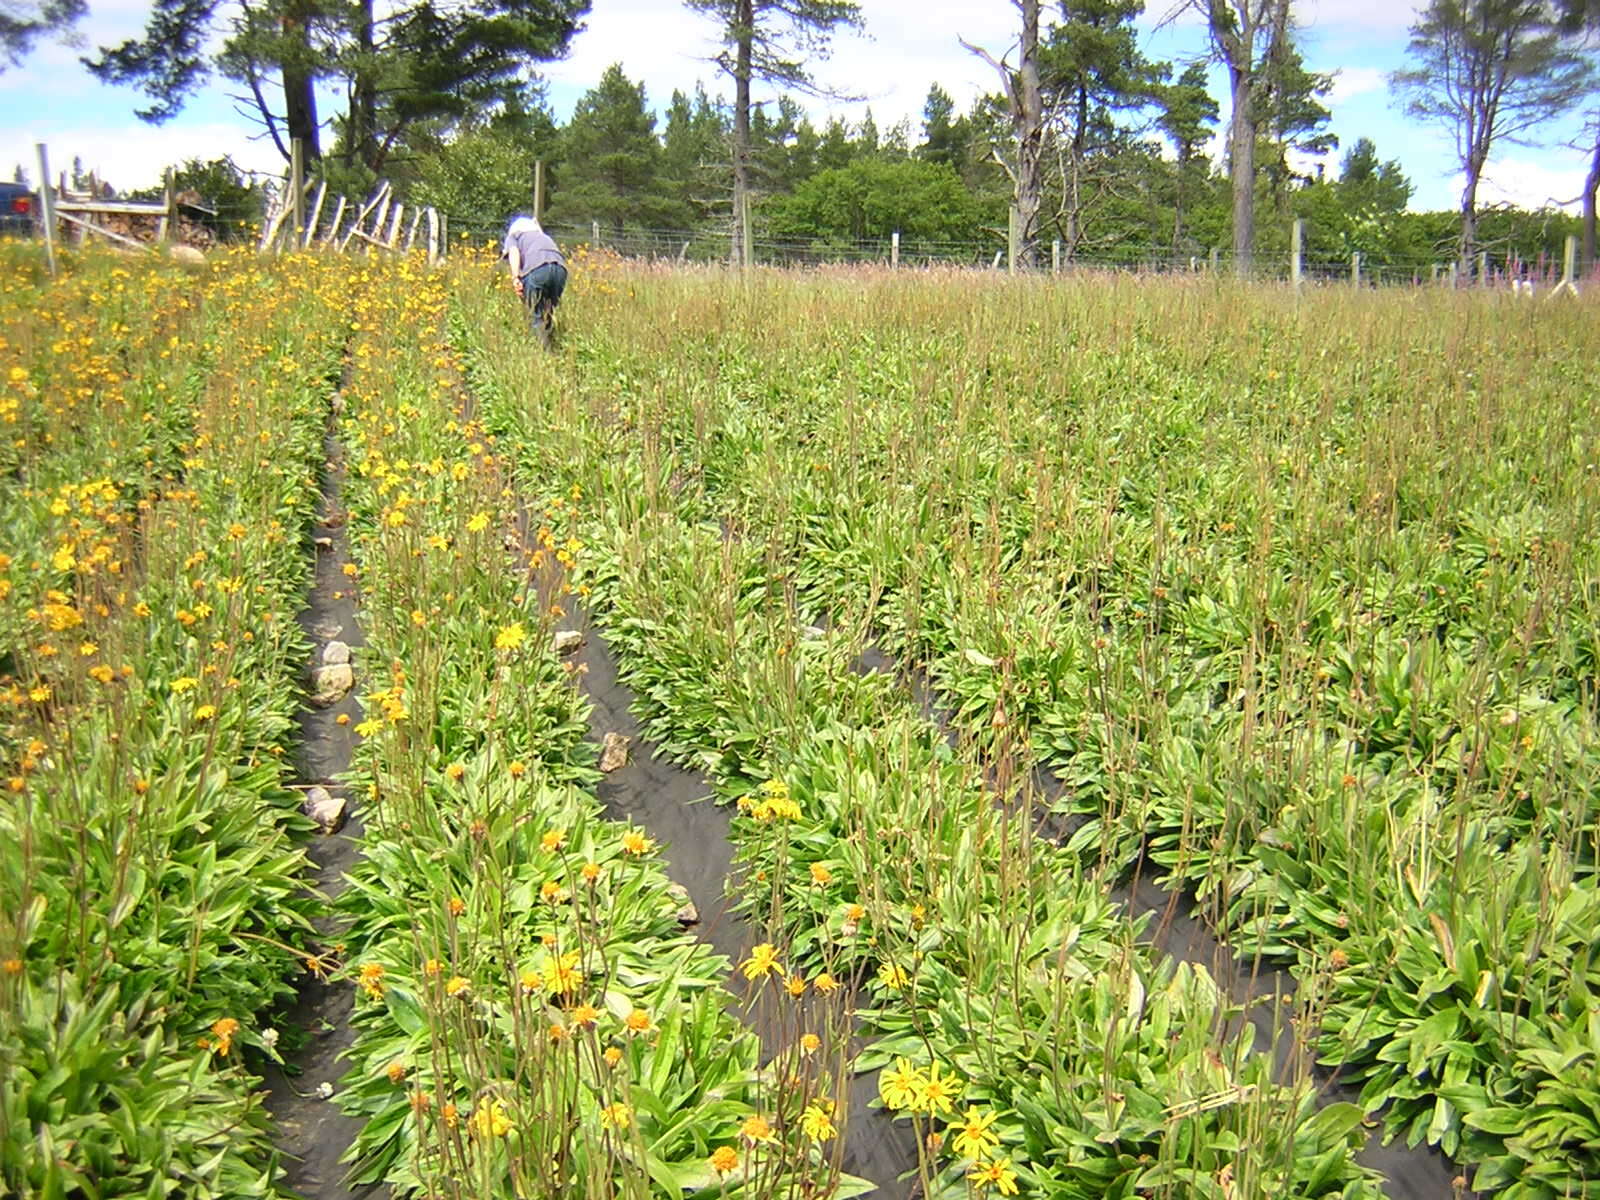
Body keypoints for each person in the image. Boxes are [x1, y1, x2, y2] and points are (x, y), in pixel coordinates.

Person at [503, 215, 567, 329]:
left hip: (536, 268)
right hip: (560, 268)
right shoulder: (542, 236)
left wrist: (515, 277)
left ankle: (540, 345)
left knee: (536, 316)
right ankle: (551, 342)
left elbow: (513, 252)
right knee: (548, 312)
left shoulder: (514, 236)